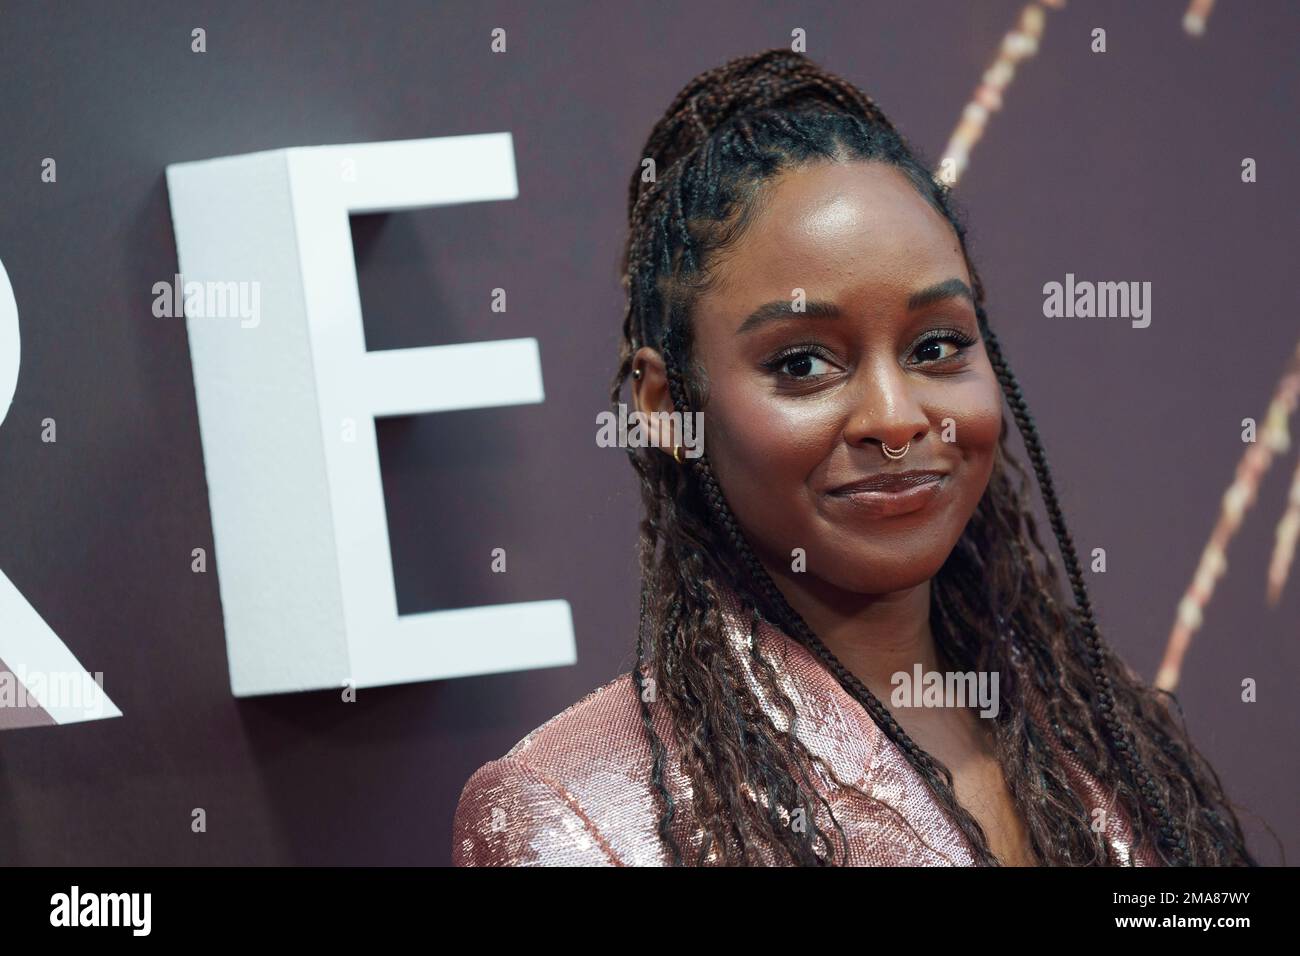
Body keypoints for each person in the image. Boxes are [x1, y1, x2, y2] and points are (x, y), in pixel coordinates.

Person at [451, 49, 1255, 866]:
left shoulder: (1101, 736)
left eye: (937, 345)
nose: (895, 418)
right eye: (802, 363)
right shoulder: (576, 814)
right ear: (664, 408)